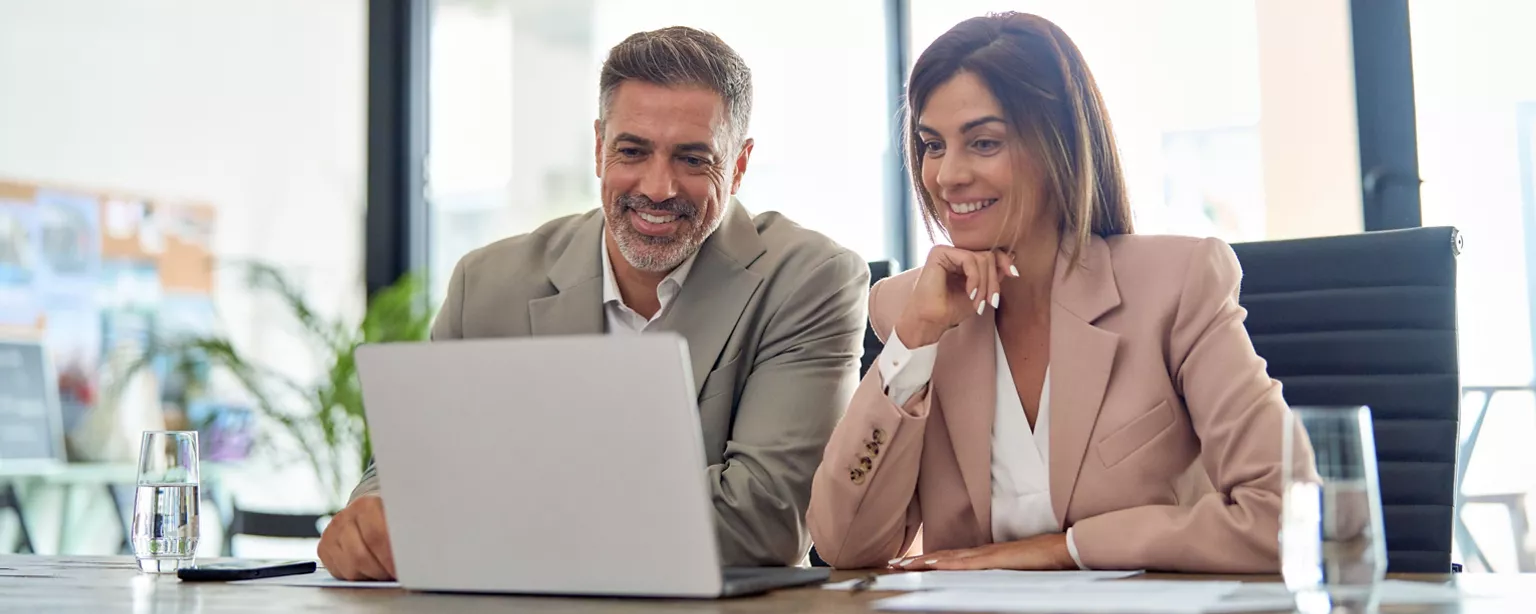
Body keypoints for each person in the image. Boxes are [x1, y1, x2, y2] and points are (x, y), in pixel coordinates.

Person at [319, 26, 870, 580]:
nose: (657, 187)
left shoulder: (809, 279)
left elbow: (763, 520)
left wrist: (474, 519)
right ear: (598, 148)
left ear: (740, 164)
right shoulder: (487, 284)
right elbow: (411, 471)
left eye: (693, 159)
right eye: (632, 151)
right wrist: (372, 518)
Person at [805, 12, 1291, 573]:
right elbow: (845, 546)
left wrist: (1064, 549)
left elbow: (1289, 517)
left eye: (983, 142)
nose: (946, 175)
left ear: (1058, 145)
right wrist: (914, 339)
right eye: (932, 145)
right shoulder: (909, 310)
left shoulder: (1177, 285)